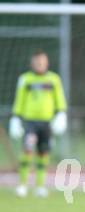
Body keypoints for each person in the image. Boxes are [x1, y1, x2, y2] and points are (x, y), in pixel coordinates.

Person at [9, 49, 68, 198]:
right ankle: (22, 184)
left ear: (46, 62)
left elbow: (59, 98)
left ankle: (40, 186)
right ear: (32, 63)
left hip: (46, 123)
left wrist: (61, 113)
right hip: (30, 122)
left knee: (43, 152)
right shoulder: (25, 79)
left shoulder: (54, 79)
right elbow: (19, 99)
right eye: (37, 62)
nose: (39, 64)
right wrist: (15, 117)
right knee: (27, 151)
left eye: (42, 61)